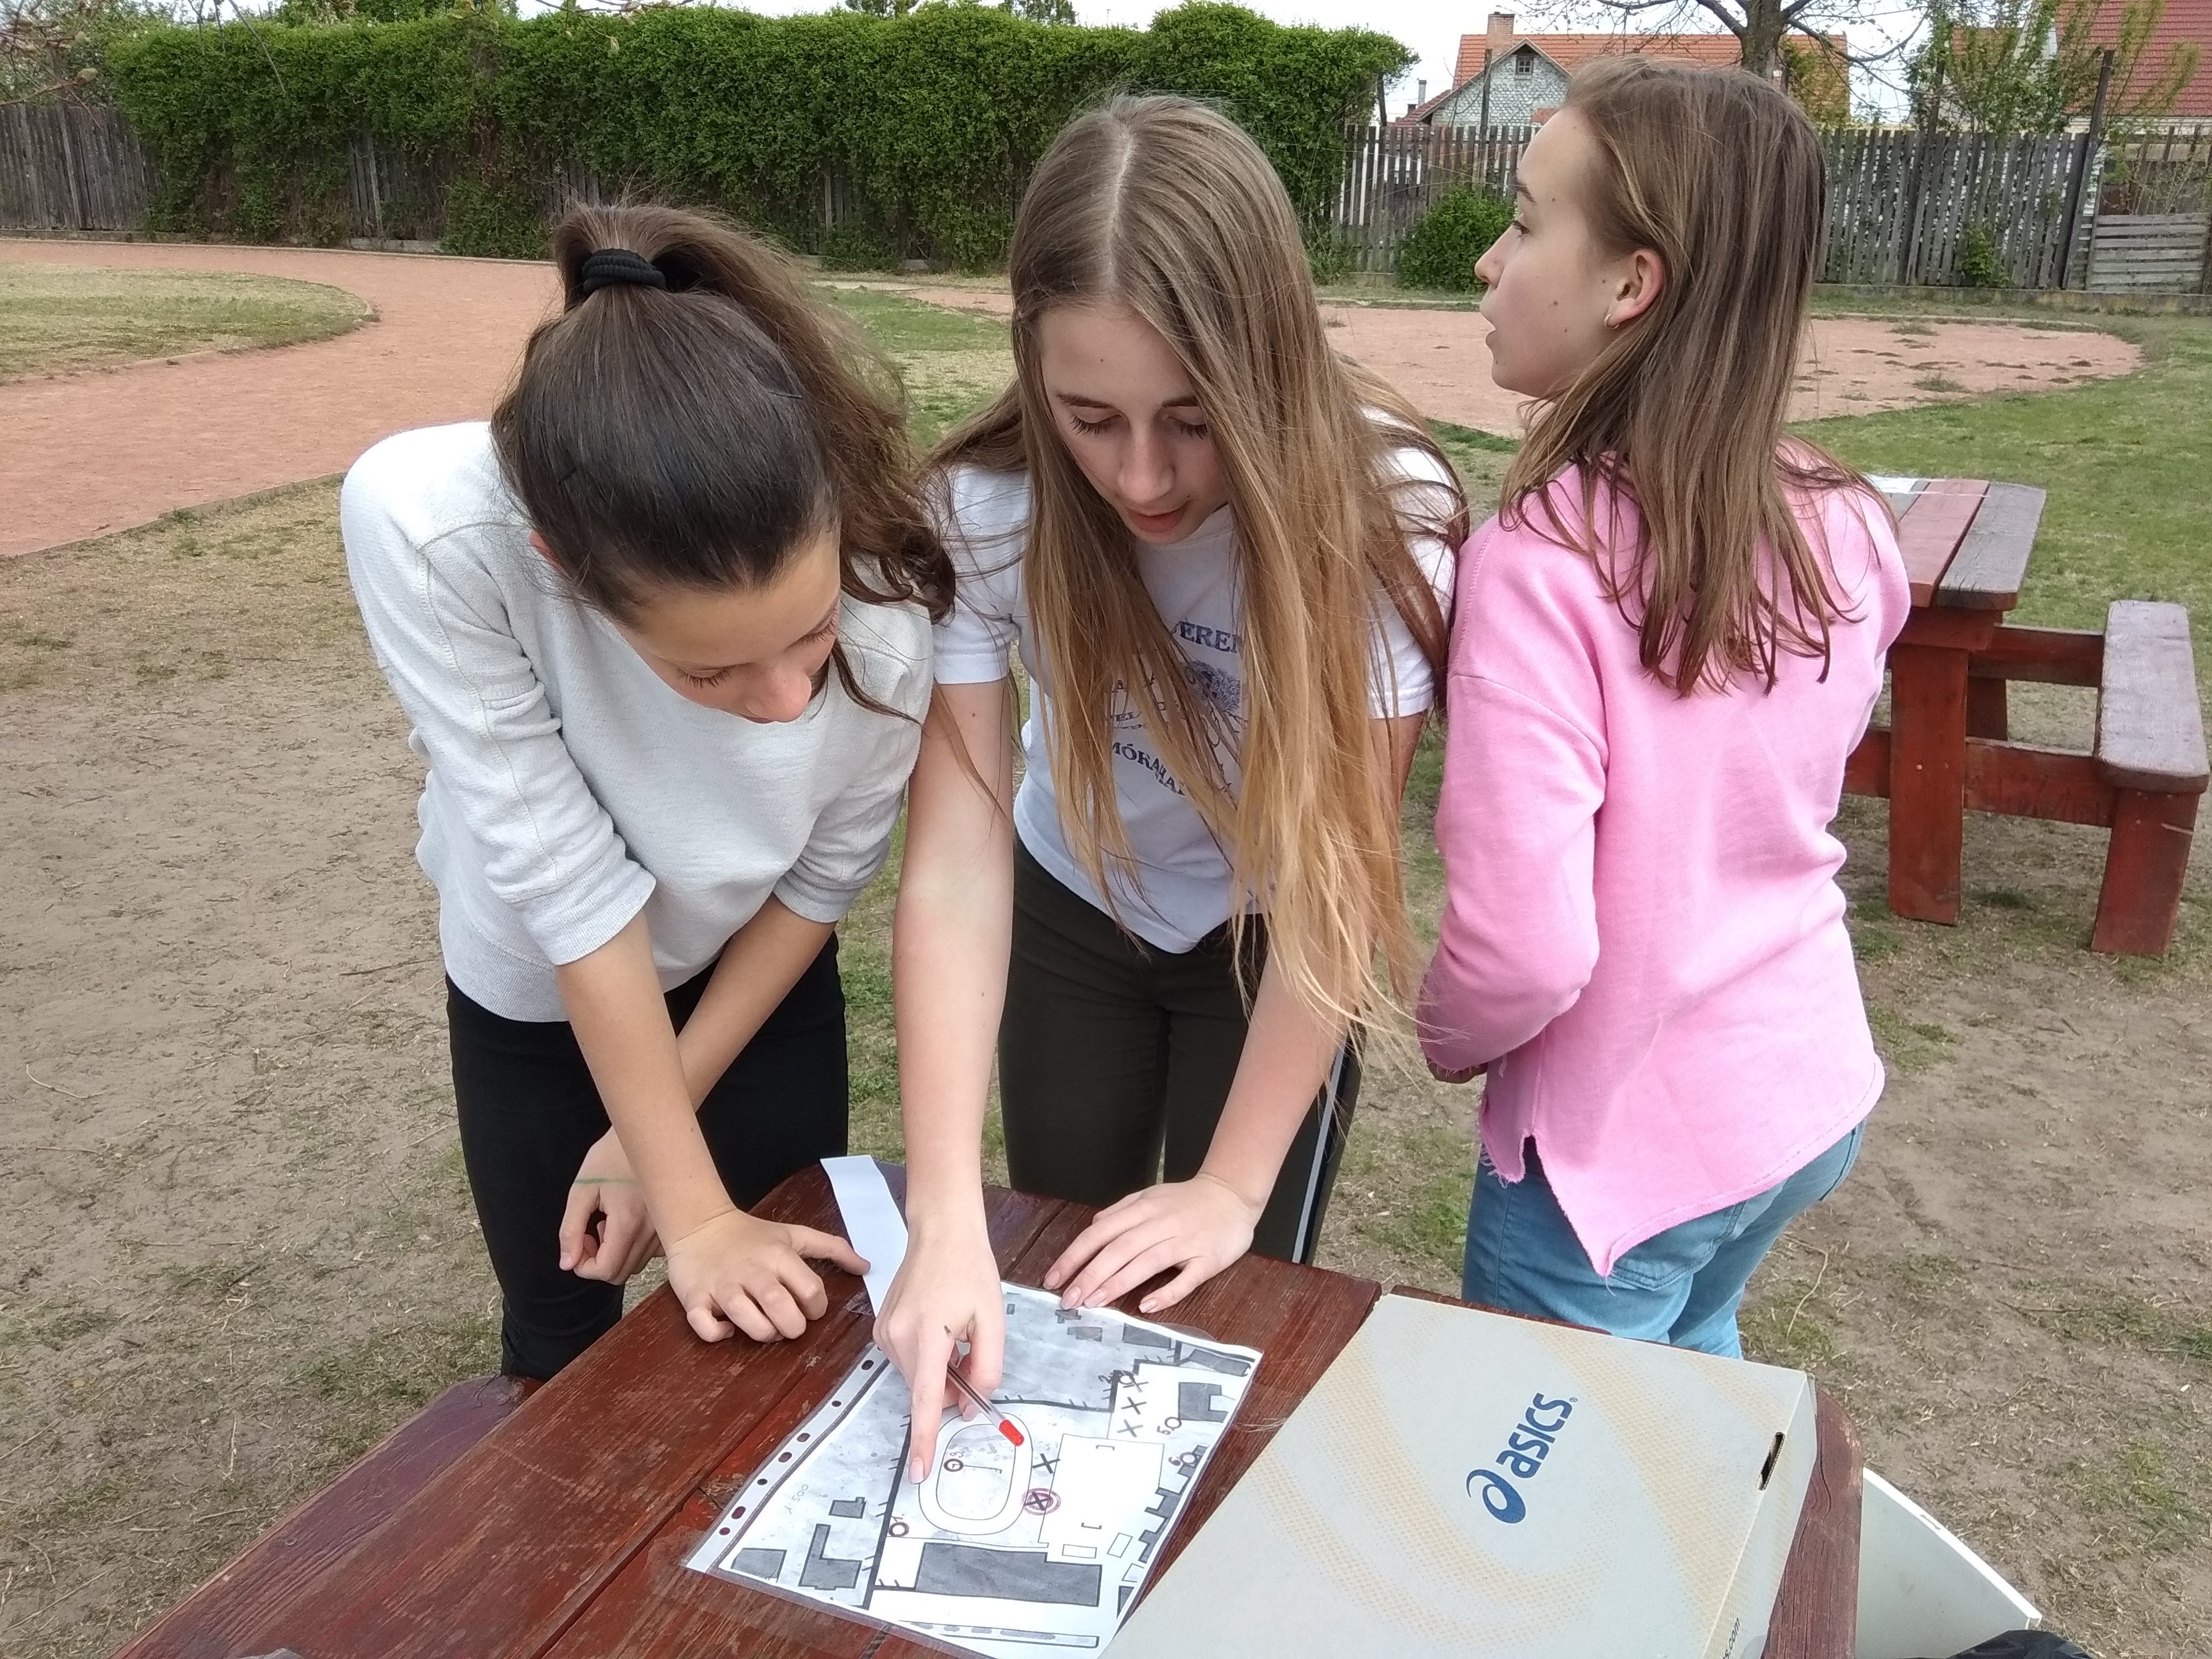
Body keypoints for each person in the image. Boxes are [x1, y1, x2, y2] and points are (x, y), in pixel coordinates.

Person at [878, 94, 1465, 1468]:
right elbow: (955, 864)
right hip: (1075, 908)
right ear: (1030, 363)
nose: (1141, 477)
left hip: (1270, 942)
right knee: (1049, 1263)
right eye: (1089, 418)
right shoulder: (987, 507)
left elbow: (1336, 886)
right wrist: (944, 1210)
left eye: (1193, 423)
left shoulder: (1384, 520)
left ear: (1269, 370)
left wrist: (1234, 1187)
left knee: (1227, 1308)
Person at [340, 203, 952, 1379]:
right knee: (561, 1332)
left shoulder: (894, 608)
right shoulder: (433, 528)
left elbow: (822, 878)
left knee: (792, 1321)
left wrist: (648, 1141)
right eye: (708, 672)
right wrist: (690, 1206)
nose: (787, 702)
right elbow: (568, 887)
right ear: (560, 567)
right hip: (536, 994)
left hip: (757, 970)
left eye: (810, 633)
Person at [1417, 58, 1909, 1356]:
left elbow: (1522, 950)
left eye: (1523, 223)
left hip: (1614, 1155)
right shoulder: (1848, 523)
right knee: (1690, 1390)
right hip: (1796, 1090)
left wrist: (1444, 1032)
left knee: (1565, 1461)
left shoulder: (1537, 566)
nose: (1487, 262)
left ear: (1631, 285)